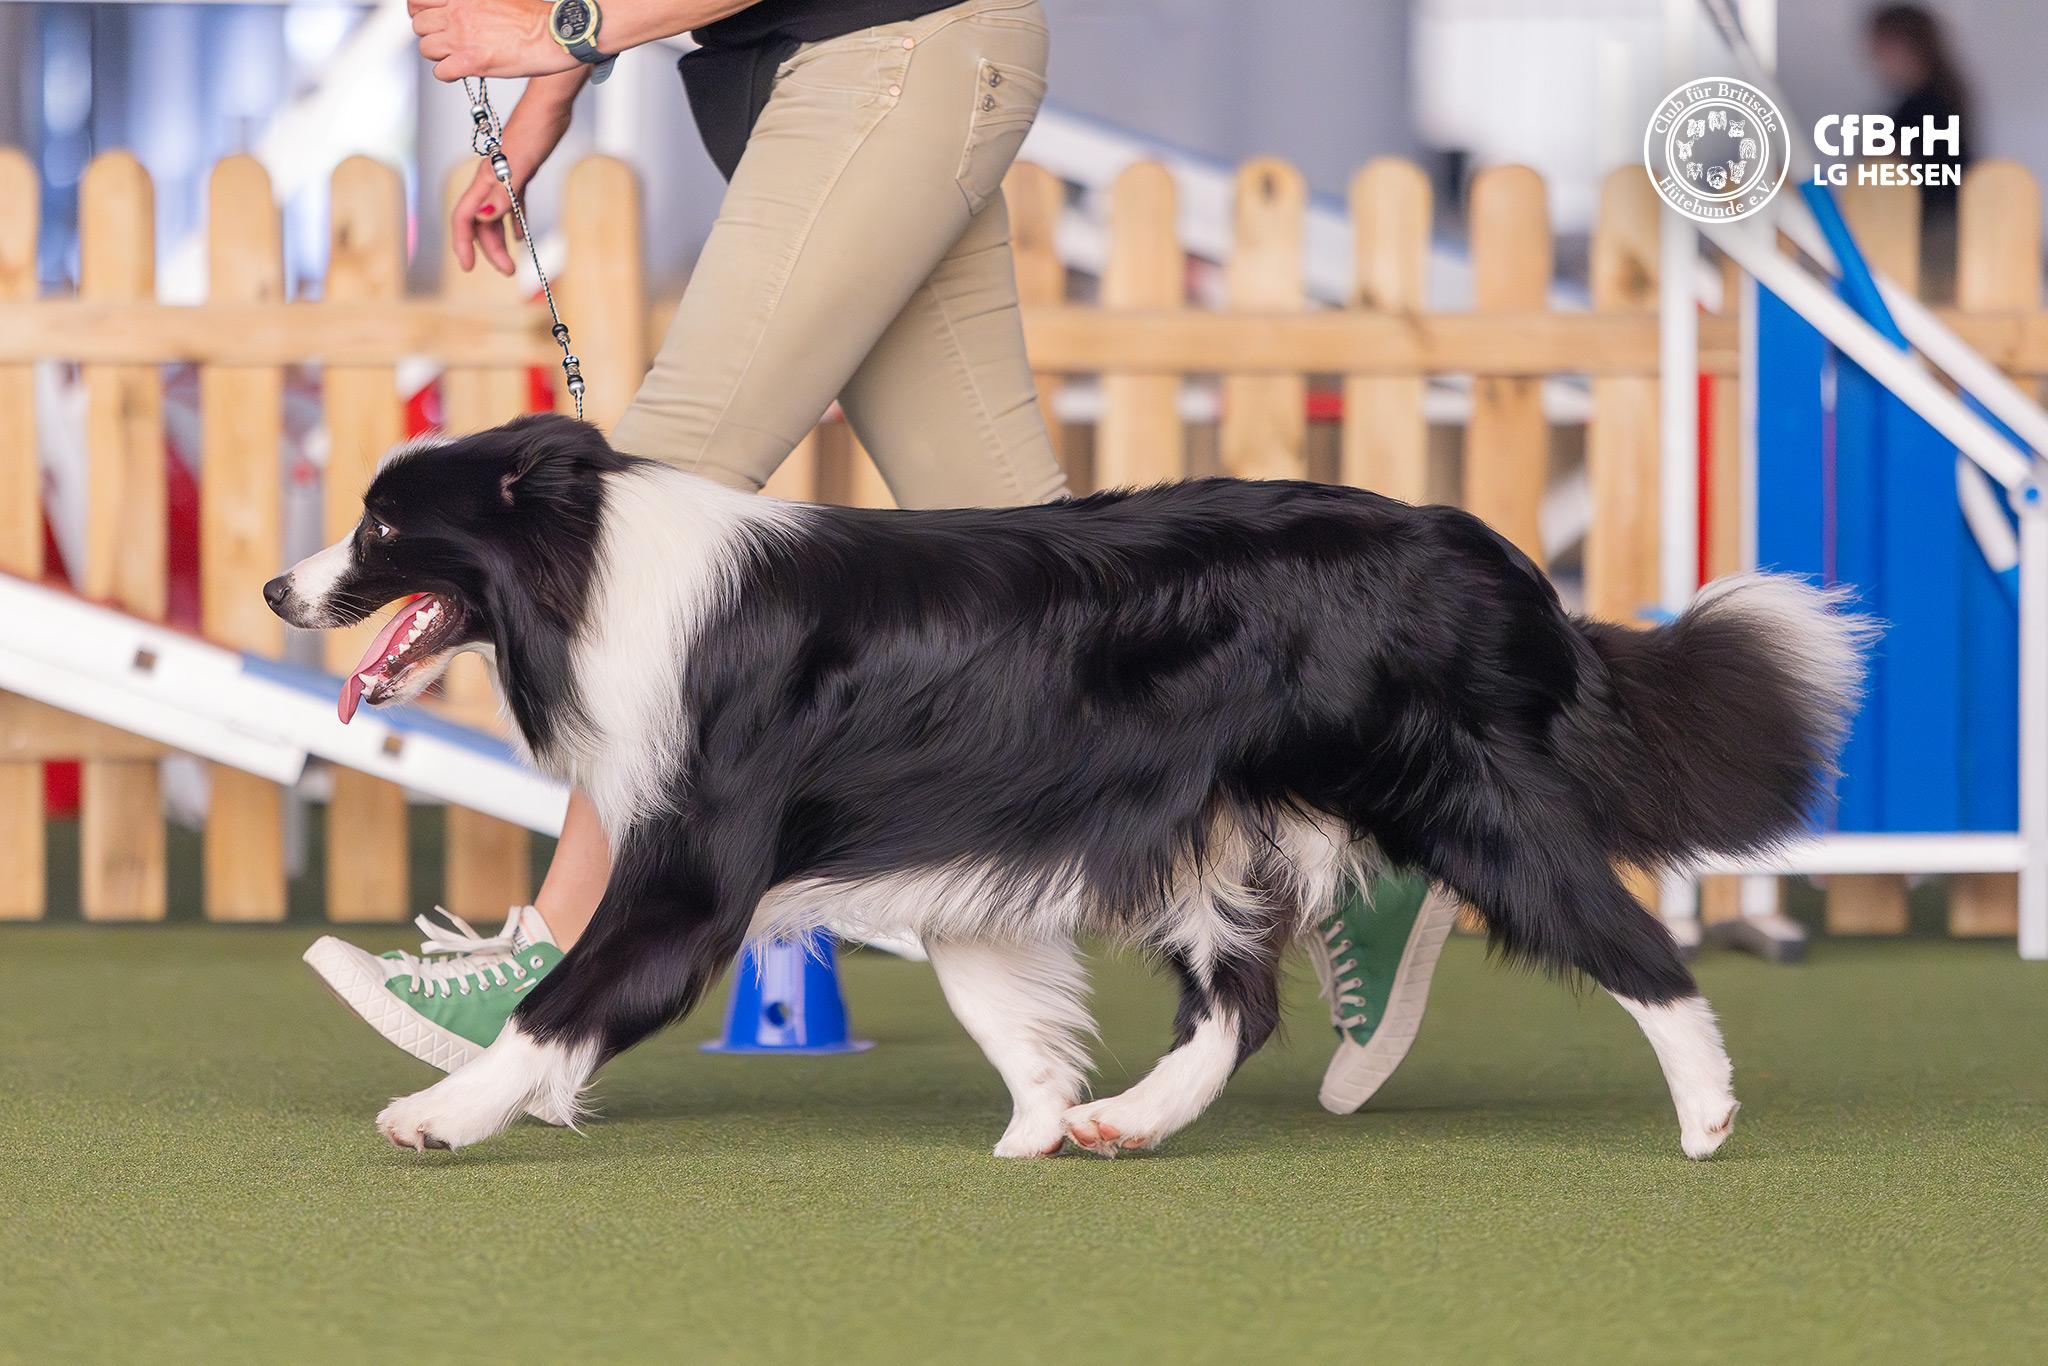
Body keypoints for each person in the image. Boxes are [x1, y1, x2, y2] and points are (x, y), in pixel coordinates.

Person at [305, 0, 1457, 1130]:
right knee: (1032, 581)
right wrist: (551, 87)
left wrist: (564, 30)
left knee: (627, 527)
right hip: (836, 72)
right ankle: (1342, 806)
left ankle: (554, 968)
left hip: (883, 60)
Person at [1866, 3, 1972, 301]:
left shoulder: (1920, 107)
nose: (1875, 60)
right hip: (1940, 227)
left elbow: (1890, 173)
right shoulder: (1945, 97)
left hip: (1930, 233)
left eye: (1880, 49)